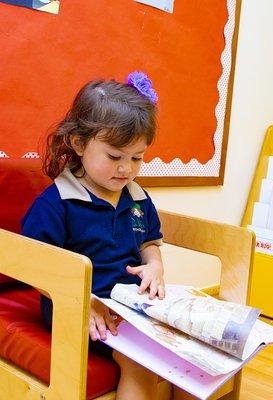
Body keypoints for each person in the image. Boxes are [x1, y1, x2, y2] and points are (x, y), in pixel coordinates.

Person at [22, 71, 165, 399]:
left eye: (137, 158)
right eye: (115, 156)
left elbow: (149, 241)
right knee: (140, 360)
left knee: (185, 351)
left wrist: (154, 266)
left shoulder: (137, 197)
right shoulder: (57, 202)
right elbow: (34, 264)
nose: (126, 168)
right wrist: (82, 301)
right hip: (75, 305)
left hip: (129, 304)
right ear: (79, 143)